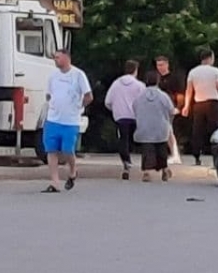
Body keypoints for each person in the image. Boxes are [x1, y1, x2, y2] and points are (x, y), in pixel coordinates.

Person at [42, 49, 93, 193]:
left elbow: (89, 96)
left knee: (67, 150)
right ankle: (54, 182)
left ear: (66, 58)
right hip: (53, 119)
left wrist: (79, 106)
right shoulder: (53, 76)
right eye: (55, 58)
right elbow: (48, 94)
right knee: (51, 150)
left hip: (70, 121)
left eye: (58, 57)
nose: (55, 60)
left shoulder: (78, 75)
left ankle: (72, 170)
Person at [182, 48, 218, 166]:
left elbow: (189, 90)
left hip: (198, 102)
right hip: (212, 102)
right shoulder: (215, 71)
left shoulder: (193, 72)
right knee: (215, 130)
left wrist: (186, 106)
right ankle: (216, 156)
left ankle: (196, 155)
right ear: (210, 58)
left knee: (198, 130)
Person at [105, 59, 146, 179]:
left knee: (123, 139)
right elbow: (144, 101)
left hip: (120, 116)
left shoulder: (116, 84)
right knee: (139, 140)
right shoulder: (139, 85)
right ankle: (146, 163)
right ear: (136, 70)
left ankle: (126, 161)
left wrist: (115, 109)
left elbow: (108, 101)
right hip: (135, 117)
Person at [135, 70, 177, 182]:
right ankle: (164, 170)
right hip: (161, 127)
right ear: (158, 81)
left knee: (147, 150)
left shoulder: (139, 96)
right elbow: (171, 110)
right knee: (161, 149)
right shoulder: (163, 96)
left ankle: (146, 172)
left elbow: (134, 108)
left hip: (144, 128)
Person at [155, 55, 185, 164]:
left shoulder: (174, 78)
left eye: (162, 65)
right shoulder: (156, 78)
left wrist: (178, 107)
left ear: (167, 65)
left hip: (169, 107)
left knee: (168, 130)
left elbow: (180, 94)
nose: (160, 67)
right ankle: (167, 153)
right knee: (163, 131)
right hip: (156, 108)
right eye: (158, 65)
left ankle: (175, 153)